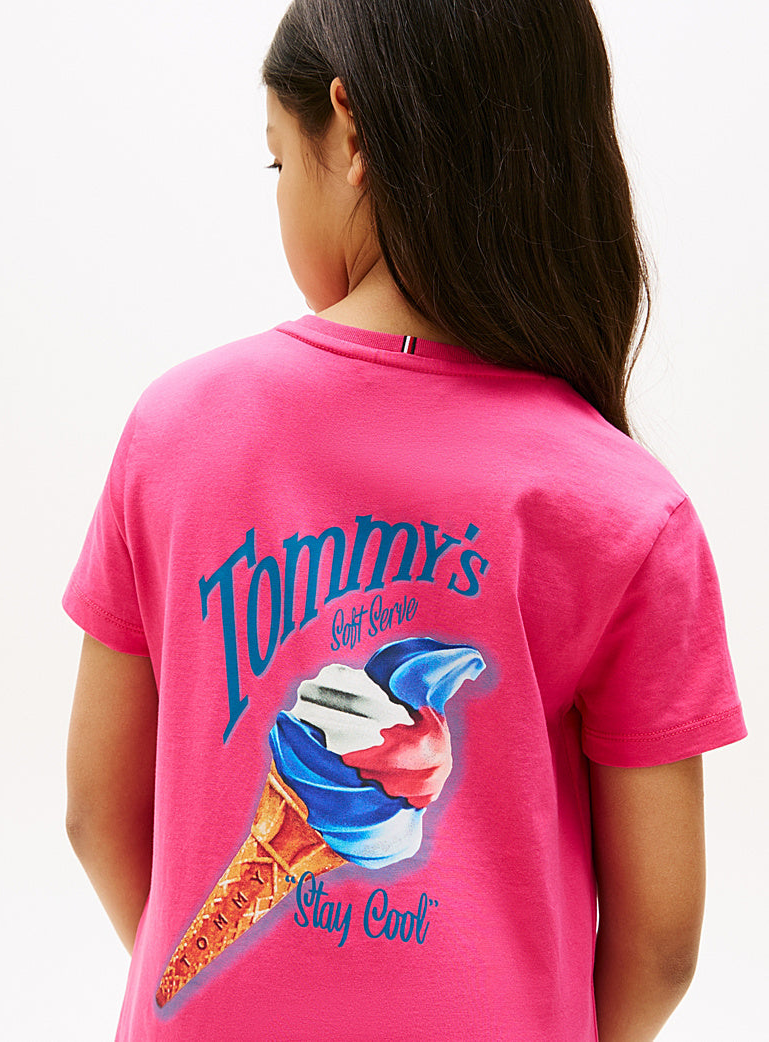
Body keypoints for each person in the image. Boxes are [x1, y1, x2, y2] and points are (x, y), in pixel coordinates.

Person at [63, 2, 748, 1040]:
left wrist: (210, 997)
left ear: (348, 132)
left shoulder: (177, 429)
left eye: (277, 160)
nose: (280, 188)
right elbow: (661, 943)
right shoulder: (626, 508)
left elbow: (95, 811)